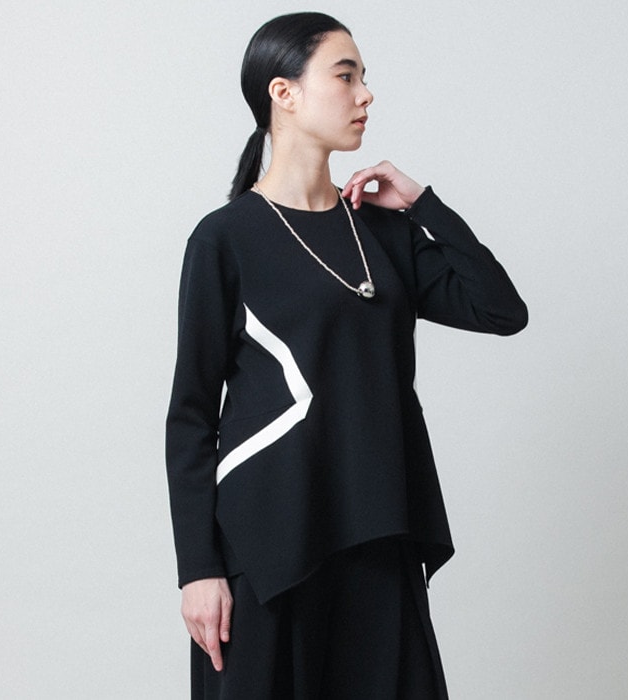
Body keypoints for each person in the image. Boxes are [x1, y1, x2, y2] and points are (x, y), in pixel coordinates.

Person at [165, 12, 527, 698]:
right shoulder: (225, 239)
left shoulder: (382, 231)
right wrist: (198, 570)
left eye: (364, 78)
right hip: (269, 545)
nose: (365, 94)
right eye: (345, 75)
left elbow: (501, 311)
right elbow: (190, 415)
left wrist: (423, 205)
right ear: (284, 93)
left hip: (379, 531)